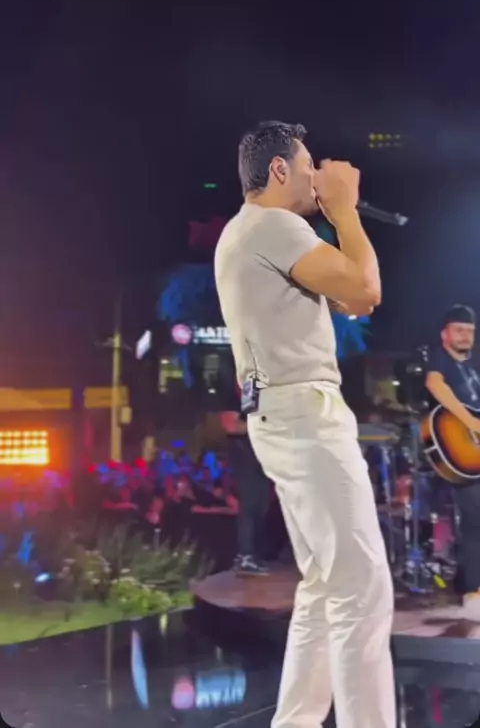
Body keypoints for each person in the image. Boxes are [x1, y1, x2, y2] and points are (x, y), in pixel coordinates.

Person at [214, 121, 395, 728]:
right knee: (362, 587)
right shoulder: (275, 226)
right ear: (280, 170)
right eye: (309, 165)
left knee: (324, 586)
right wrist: (344, 211)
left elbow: (350, 299)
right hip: (304, 414)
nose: (317, 177)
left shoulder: (245, 232)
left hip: (280, 414)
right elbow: (366, 290)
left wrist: (337, 222)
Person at [425, 305, 480, 621]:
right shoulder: (439, 359)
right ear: (444, 334)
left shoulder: (470, 369)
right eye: (459, 330)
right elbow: (435, 385)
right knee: (474, 520)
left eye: (470, 331)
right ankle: (472, 591)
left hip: (472, 452)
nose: (465, 336)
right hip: (457, 452)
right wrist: (470, 422)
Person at [221, 402, 271, 576]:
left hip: (261, 462)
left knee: (261, 508)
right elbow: (230, 425)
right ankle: (245, 557)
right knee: (248, 508)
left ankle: (255, 555)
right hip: (245, 460)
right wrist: (264, 425)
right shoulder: (234, 396)